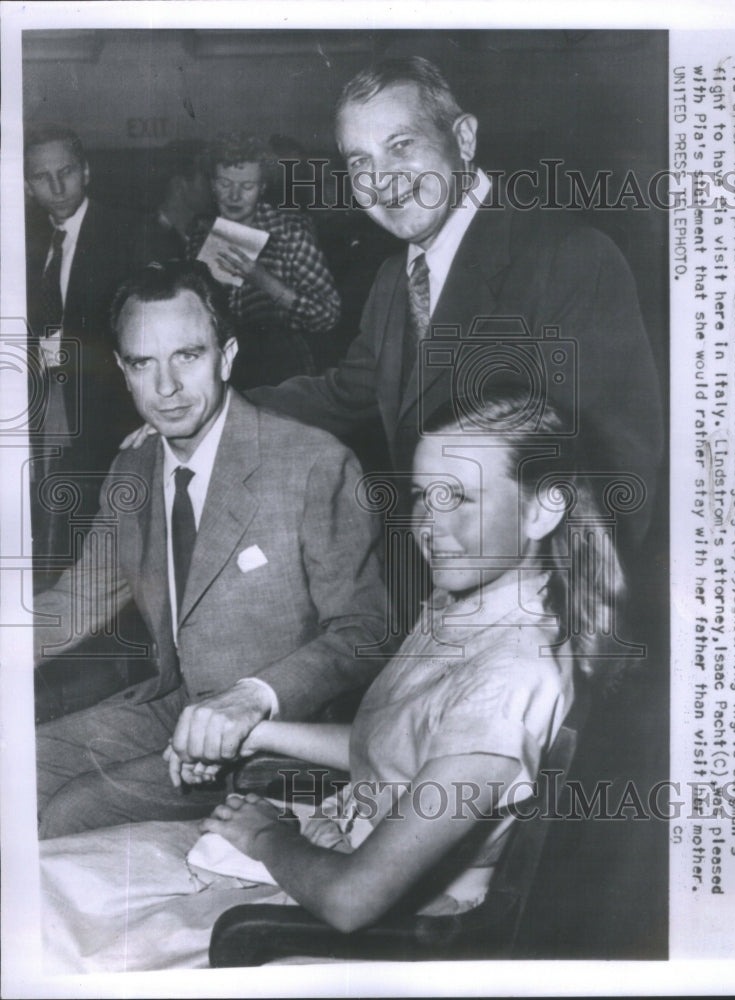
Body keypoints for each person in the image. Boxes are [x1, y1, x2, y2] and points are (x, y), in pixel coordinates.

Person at [38, 385, 627, 973]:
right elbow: (399, 751)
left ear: (544, 507)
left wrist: (265, 837)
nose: (429, 524)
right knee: (43, 880)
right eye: (425, 496)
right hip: (325, 846)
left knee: (51, 924)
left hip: (372, 930)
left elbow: (353, 901)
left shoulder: (507, 681)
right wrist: (257, 735)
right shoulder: (468, 605)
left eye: (462, 499)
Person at [245, 56, 664, 554]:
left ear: (463, 138)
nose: (381, 179)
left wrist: (547, 607)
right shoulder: (391, 281)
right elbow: (345, 393)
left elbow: (616, 466)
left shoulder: (569, 257)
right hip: (440, 580)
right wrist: (217, 410)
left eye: (401, 145)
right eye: (360, 162)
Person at [34, 260, 387, 839]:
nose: (166, 387)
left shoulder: (312, 461)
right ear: (123, 372)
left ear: (225, 356)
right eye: (144, 363)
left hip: (283, 736)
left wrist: (253, 697)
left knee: (76, 810)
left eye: (187, 356)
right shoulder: (133, 470)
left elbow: (365, 632)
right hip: (174, 708)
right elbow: (71, 604)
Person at [24, 123, 142, 582]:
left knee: (100, 550)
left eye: (66, 171)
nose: (56, 186)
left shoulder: (128, 231)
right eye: (41, 177)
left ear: (86, 171)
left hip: (106, 418)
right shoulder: (25, 243)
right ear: (27, 185)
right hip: (42, 413)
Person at [186, 132, 341, 388]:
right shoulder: (201, 235)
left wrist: (264, 280)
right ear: (212, 184)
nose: (235, 196)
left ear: (263, 188)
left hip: (282, 369)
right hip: (221, 369)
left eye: (247, 187)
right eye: (226, 184)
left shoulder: (290, 233)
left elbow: (328, 315)